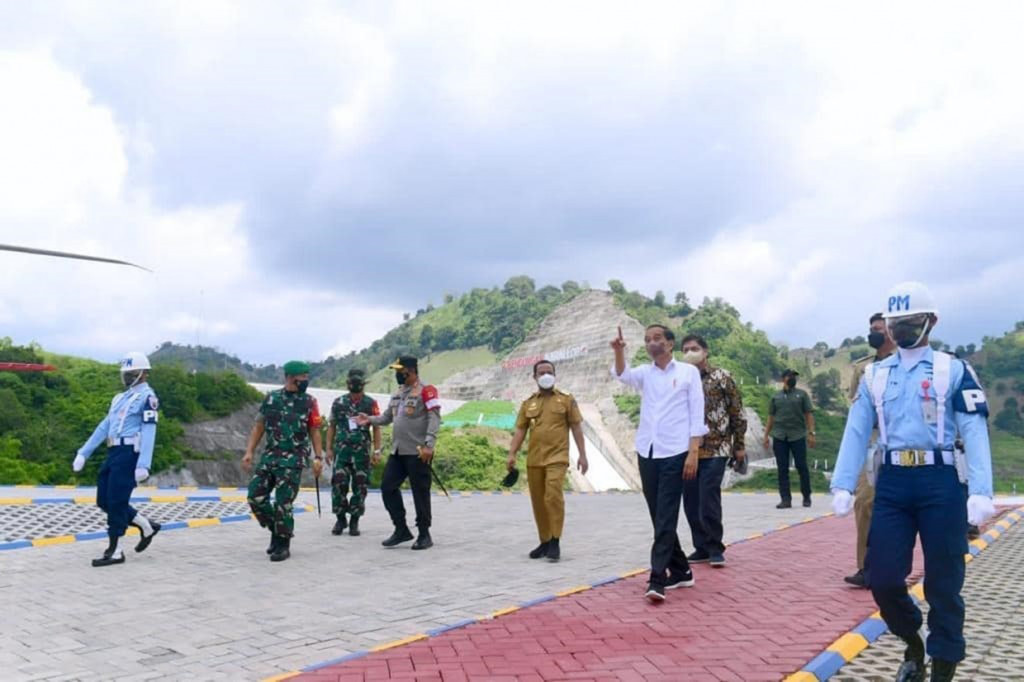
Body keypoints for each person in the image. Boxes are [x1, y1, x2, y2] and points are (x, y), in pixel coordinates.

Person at [831, 282, 995, 682]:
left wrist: (981, 489)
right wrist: (842, 483)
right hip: (894, 482)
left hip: (941, 480)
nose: (901, 330)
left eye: (911, 322)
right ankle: (913, 642)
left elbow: (974, 429)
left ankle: (942, 666)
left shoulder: (952, 369)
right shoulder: (874, 375)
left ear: (931, 322)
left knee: (944, 582)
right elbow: (857, 429)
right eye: (896, 323)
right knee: (884, 578)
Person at [611, 324, 707, 602]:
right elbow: (622, 374)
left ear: (670, 343)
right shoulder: (645, 373)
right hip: (648, 451)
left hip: (676, 452)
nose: (652, 343)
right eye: (647, 339)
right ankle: (682, 571)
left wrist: (693, 452)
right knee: (658, 515)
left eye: (657, 338)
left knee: (666, 515)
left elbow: (696, 414)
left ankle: (657, 578)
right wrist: (619, 352)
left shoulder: (688, 373)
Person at [73, 351, 162, 567]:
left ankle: (115, 550)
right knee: (103, 500)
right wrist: (84, 452)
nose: (128, 377)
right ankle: (146, 526)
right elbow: (104, 427)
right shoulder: (119, 398)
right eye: (126, 373)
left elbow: (149, 431)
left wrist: (144, 464)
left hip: (130, 454)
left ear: (143, 374)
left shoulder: (147, 398)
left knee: (116, 501)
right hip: (113, 452)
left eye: (132, 373)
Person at [506, 360, 589, 562]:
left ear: (555, 375)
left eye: (549, 372)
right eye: (541, 372)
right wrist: (512, 453)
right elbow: (520, 430)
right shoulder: (528, 403)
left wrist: (582, 454)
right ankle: (544, 541)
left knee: (553, 495)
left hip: (557, 457)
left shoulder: (566, 400)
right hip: (535, 459)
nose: (545, 375)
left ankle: (555, 541)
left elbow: (577, 427)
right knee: (538, 501)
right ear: (534, 377)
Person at [242, 361, 324, 562]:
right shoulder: (271, 399)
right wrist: (249, 451)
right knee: (255, 497)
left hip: (293, 459)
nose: (306, 380)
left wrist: (318, 457)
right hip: (270, 456)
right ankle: (277, 531)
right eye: (302, 376)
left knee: (283, 503)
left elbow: (314, 430)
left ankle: (283, 544)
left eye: (306, 376)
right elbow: (259, 426)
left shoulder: (309, 402)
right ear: (290, 377)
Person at [356, 356, 441, 550]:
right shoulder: (398, 393)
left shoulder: (427, 390)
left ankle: (424, 533)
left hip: (418, 451)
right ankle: (401, 529)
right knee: (387, 487)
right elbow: (387, 417)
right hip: (398, 450)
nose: (396, 374)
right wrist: (368, 419)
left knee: (420, 492)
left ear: (409, 371)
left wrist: (429, 444)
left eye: (399, 371)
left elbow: (434, 418)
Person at [679, 334, 746, 568]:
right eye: (685, 349)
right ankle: (701, 546)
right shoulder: (680, 379)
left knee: (708, 497)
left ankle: (715, 547)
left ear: (705, 351)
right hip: (688, 450)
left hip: (717, 447)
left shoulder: (722, 377)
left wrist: (739, 446)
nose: (690, 353)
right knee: (690, 499)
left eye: (694, 348)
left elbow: (736, 411)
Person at [844, 313, 897, 588]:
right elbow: (855, 406)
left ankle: (893, 564)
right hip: (872, 442)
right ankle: (866, 567)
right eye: (871, 330)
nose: (873, 334)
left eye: (878, 330)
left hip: (902, 440)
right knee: (864, 501)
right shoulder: (862, 368)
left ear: (891, 332)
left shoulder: (906, 362)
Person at [326, 368, 382, 537]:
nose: (355, 387)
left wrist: (377, 450)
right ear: (348, 384)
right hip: (342, 452)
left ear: (363, 384)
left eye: (358, 384)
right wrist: (328, 449)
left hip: (361, 454)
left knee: (360, 487)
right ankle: (340, 518)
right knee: (338, 485)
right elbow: (332, 426)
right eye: (352, 383)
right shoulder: (338, 402)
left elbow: (377, 428)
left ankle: (354, 520)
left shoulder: (370, 403)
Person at [762, 369, 816, 508]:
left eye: (794, 376)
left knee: (801, 466)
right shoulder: (776, 397)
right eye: (789, 376)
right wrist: (766, 435)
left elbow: (809, 415)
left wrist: (811, 433)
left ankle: (806, 497)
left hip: (797, 435)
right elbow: (771, 418)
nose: (792, 378)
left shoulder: (802, 395)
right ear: (783, 379)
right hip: (779, 436)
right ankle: (785, 499)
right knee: (782, 468)